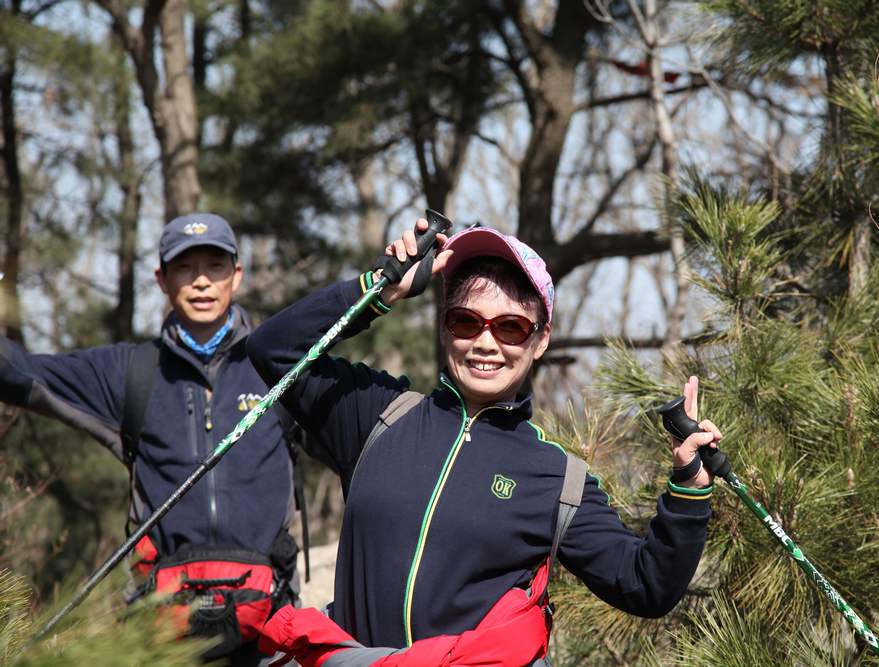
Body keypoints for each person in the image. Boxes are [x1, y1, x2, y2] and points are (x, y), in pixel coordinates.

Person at [246, 218, 721, 665]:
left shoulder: (557, 479)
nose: (486, 343)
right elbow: (273, 349)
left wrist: (689, 485)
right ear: (444, 327)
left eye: (511, 327)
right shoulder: (378, 416)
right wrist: (378, 288)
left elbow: (647, 585)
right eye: (466, 321)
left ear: (540, 340)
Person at [0, 213, 299, 665]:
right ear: (161, 279)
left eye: (215, 266)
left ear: (237, 275)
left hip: (272, 631)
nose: (201, 282)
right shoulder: (130, 372)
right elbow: (18, 375)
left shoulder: (282, 366)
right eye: (184, 267)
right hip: (161, 631)